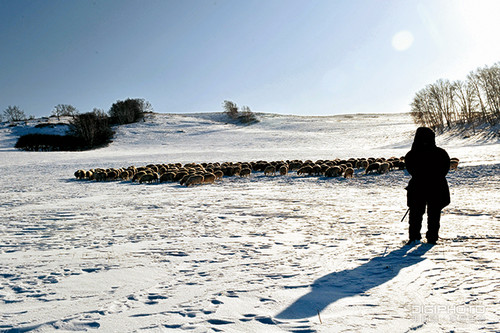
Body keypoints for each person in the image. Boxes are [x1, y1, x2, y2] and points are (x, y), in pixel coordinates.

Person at [405, 127, 450, 245]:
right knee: (434, 213)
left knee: (416, 213)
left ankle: (414, 237)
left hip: (418, 186)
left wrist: (422, 176)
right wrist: (435, 177)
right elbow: (445, 169)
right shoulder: (441, 153)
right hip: (436, 186)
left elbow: (411, 170)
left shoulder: (411, 154)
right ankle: (432, 237)